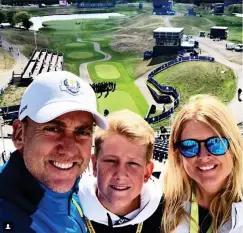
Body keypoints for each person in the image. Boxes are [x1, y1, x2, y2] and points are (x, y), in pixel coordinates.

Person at [0, 71, 108, 233]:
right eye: (53, 129)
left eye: (82, 132)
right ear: (19, 134)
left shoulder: (77, 193)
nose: (69, 149)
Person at [162, 94, 243, 233]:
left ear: (234, 146)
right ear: (178, 154)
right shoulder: (161, 203)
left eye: (216, 143)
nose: (203, 156)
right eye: (189, 146)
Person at [78, 109, 163, 233]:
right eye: (111, 161)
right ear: (95, 165)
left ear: (147, 172)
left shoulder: (169, 216)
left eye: (133, 163)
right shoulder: (69, 209)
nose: (120, 175)